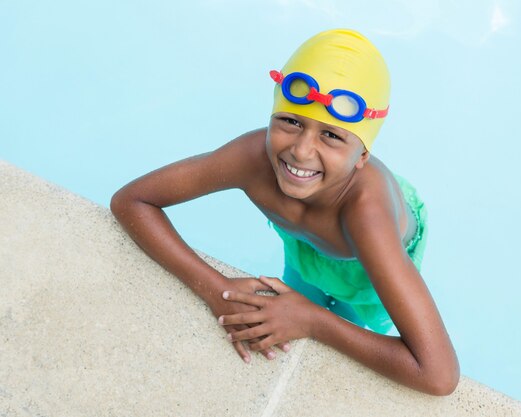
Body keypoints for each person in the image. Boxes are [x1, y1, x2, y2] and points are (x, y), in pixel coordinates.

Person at [110, 28, 459, 395]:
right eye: (291, 122)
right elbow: (132, 201)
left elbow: (437, 374)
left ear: (363, 157)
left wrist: (314, 321)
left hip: (364, 268)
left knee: (345, 321)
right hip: (303, 248)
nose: (301, 152)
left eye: (332, 135)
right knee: (294, 298)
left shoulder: (367, 218)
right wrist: (216, 290)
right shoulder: (252, 160)